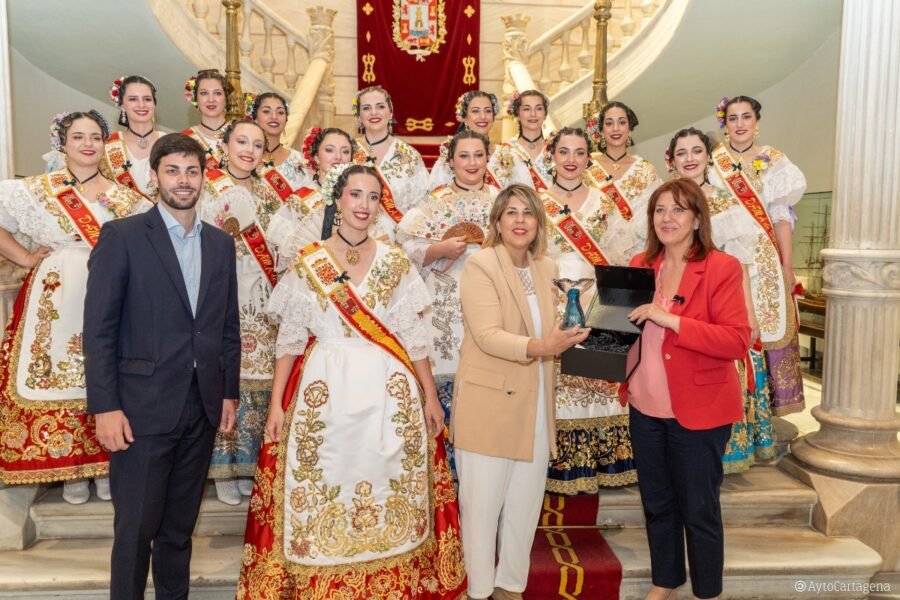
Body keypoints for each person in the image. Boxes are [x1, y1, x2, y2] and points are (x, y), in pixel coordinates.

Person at [237, 164, 466, 599]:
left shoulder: (395, 262)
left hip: (389, 392)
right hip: (325, 390)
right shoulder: (309, 263)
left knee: (387, 481)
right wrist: (276, 405)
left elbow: (413, 337)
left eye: (373, 197)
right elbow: (289, 341)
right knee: (326, 480)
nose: (364, 205)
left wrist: (431, 398)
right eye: (356, 195)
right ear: (338, 200)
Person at [83, 132, 240, 598]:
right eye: (172, 170)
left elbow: (226, 326)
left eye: (192, 170)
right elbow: (99, 330)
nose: (183, 180)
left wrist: (228, 391)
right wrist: (105, 407)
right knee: (134, 533)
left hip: (201, 407)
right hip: (139, 411)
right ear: (154, 177)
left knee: (177, 531)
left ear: (204, 177)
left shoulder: (219, 243)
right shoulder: (122, 237)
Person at [0, 111, 151, 504]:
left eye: (96, 137)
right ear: (61, 143)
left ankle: (106, 465)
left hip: (113, 293)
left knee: (102, 374)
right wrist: (26, 258)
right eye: (78, 136)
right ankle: (68, 472)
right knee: (59, 375)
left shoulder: (125, 197)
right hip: (57, 291)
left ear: (105, 144)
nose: (87, 144)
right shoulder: (36, 189)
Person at [453, 184, 590, 600]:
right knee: (481, 511)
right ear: (497, 222)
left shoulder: (549, 269)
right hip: (489, 405)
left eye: (527, 213)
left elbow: (569, 321)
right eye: (510, 212)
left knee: (524, 509)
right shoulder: (481, 265)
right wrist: (542, 347)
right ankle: (478, 591)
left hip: (535, 407)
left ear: (538, 224)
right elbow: (488, 335)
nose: (519, 220)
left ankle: (511, 587)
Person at [623, 178, 751, 600]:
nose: (667, 218)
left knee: (698, 509)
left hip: (699, 409)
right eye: (660, 210)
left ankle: (708, 592)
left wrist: (672, 319)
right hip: (644, 405)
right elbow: (623, 329)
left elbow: (736, 340)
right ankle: (665, 582)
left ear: (697, 218)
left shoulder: (721, 266)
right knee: (657, 503)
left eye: (678, 210)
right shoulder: (641, 264)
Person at [541, 127, 643, 493]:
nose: (571, 159)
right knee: (558, 378)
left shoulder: (604, 202)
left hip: (595, 296)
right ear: (551, 155)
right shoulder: (537, 202)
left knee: (599, 379)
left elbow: (620, 253)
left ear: (589, 158)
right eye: (564, 151)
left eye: (579, 152)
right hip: (550, 295)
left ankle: (605, 460)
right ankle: (559, 462)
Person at [667, 127, 774, 472]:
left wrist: (750, 315)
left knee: (714, 371)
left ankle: (718, 453)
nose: (689, 159)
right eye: (681, 152)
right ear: (671, 160)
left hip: (715, 301)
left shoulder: (726, 202)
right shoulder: (662, 200)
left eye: (696, 151)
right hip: (673, 301)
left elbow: (740, 263)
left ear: (708, 156)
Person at [397, 129, 499, 476]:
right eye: (464, 156)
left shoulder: (503, 202)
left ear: (488, 158)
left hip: (493, 300)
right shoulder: (433, 202)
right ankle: (445, 473)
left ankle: (484, 469)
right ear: (450, 161)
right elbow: (405, 250)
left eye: (478, 155)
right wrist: (438, 249)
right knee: (448, 375)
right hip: (443, 301)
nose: (472, 163)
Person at [197, 119, 281, 505]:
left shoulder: (272, 193)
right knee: (228, 371)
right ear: (225, 145)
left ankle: (250, 464)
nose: (249, 150)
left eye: (257, 144)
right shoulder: (207, 186)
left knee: (262, 373)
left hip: (263, 292)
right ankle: (222, 469)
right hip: (221, 288)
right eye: (242, 141)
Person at [711, 95, 807, 416]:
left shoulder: (774, 160)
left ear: (757, 122)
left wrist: (786, 265)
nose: (740, 124)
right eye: (734, 117)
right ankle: (728, 409)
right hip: (725, 255)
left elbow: (780, 215)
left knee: (767, 323)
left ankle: (763, 413)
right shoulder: (712, 162)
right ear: (726, 124)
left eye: (746, 117)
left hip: (764, 256)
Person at [265, 126, 356, 266]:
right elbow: (284, 254)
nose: (338, 157)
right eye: (329, 150)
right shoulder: (299, 200)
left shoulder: (360, 199)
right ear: (316, 157)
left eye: (345, 151)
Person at [352, 86, 430, 242]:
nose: (374, 112)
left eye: (380, 106)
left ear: (391, 112)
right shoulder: (348, 152)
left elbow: (423, 206)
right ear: (359, 117)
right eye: (367, 108)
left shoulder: (409, 156)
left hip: (398, 242)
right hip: (354, 239)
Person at [584, 100, 662, 247]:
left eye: (622, 122)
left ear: (630, 129)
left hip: (638, 249)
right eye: (609, 123)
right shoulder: (587, 169)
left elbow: (656, 214)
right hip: (596, 251)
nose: (615, 128)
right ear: (601, 130)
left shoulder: (645, 170)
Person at [104, 75, 165, 199]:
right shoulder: (108, 145)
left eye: (147, 99)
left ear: (154, 104)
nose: (141, 105)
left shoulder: (170, 143)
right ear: (122, 105)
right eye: (133, 99)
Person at [430, 90, 503, 190]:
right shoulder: (451, 153)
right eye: (475, 111)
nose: (483, 116)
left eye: (488, 111)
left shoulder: (505, 156)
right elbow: (437, 193)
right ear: (463, 117)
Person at [488, 89, 552, 190]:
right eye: (527, 109)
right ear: (517, 114)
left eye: (539, 108)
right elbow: (496, 193)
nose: (533, 114)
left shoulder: (556, 150)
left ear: (545, 114)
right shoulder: (504, 152)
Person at [182, 68, 231, 170]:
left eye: (217, 93)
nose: (211, 99)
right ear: (196, 99)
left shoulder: (241, 133)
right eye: (204, 93)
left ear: (226, 99)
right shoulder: (185, 139)